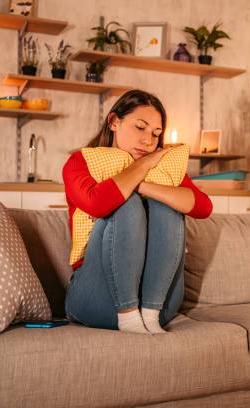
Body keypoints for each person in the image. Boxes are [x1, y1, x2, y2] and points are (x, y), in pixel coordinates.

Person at [62, 89, 212, 334]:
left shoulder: (162, 170)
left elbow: (203, 207)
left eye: (156, 134)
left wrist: (144, 185)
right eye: (139, 128)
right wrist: (142, 165)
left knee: (167, 202)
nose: (149, 141)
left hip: (158, 305)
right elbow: (97, 203)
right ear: (114, 121)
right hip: (96, 299)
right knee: (126, 203)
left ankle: (148, 316)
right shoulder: (81, 161)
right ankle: (128, 315)